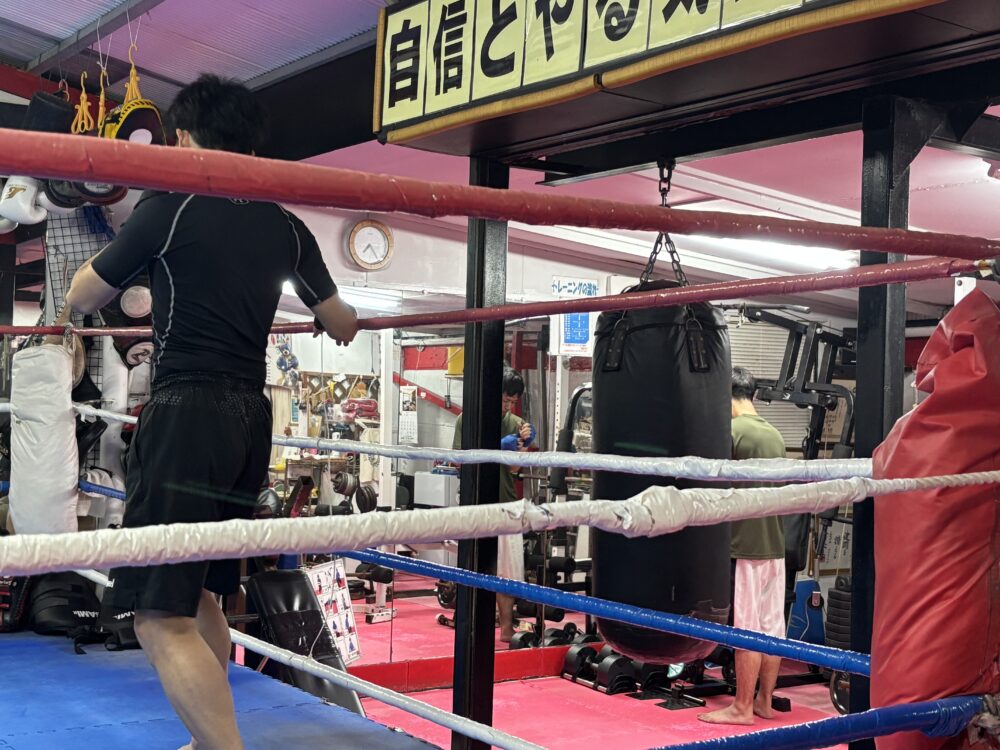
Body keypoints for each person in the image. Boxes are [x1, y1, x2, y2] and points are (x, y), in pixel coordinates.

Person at [65, 74, 358, 750]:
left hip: (188, 414)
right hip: (249, 419)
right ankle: (207, 741)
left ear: (182, 139)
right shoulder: (285, 224)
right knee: (198, 593)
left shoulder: (169, 207)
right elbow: (342, 321)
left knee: (155, 614)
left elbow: (82, 295)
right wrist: (326, 317)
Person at [700, 366, 786, 727]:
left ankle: (741, 708)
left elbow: (709, 489)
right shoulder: (774, 434)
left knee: (747, 629)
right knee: (771, 628)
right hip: (775, 546)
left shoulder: (731, 432)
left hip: (744, 546)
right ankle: (764, 701)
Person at [451, 366, 534, 642]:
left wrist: (522, 446)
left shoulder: (517, 424)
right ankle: (469, 624)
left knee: (507, 571)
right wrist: (497, 446)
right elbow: (459, 462)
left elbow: (514, 470)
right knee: (474, 565)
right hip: (475, 502)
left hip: (506, 501)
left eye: (513, 402)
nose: (508, 406)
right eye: (505, 400)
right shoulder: (467, 420)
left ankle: (507, 627)